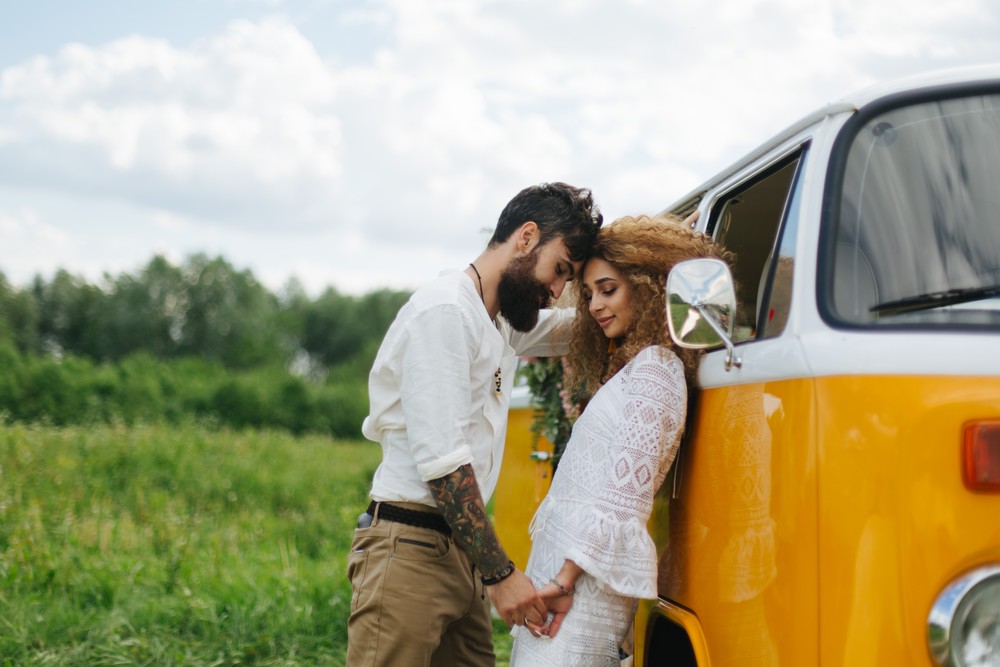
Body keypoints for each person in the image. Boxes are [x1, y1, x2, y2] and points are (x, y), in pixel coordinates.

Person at [347, 182, 603, 666]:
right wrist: (502, 576)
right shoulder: (446, 311)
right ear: (526, 238)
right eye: (561, 270)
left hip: (462, 553)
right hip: (410, 549)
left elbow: (582, 327)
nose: (558, 291)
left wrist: (649, 262)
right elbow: (444, 467)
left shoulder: (498, 320)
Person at [509, 214, 731, 666]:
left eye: (608, 289)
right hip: (570, 569)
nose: (594, 305)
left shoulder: (655, 369)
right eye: (589, 294)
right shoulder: (639, 367)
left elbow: (622, 498)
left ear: (650, 289)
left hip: (581, 583)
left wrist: (565, 581)